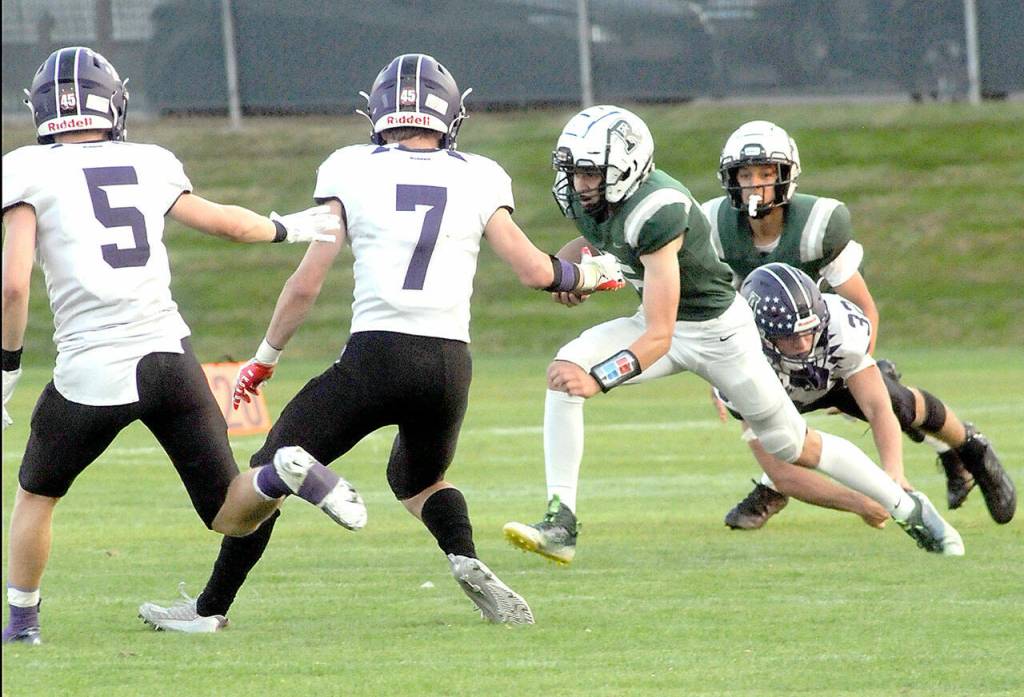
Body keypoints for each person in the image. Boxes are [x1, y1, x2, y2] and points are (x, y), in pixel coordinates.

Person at [137, 53, 625, 631]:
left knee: (272, 468)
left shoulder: (351, 168)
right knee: (418, 480)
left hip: (377, 356)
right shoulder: (480, 174)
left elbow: (306, 282)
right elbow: (536, 271)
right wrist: (599, 274)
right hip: (450, 365)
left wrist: (265, 359)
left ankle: (208, 610)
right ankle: (465, 557)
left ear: (379, 112)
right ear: (451, 116)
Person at [1, 47, 368, 646]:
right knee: (228, 511)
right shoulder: (149, 160)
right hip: (170, 356)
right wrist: (291, 227)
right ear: (112, 103)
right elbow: (227, 222)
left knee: (37, 494)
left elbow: (14, 285)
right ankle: (279, 474)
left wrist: (7, 369)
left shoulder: (24, 168)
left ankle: (21, 625)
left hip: (92, 368)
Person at [502, 105, 964, 566]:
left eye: (590, 173)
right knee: (564, 370)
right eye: (575, 172)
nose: (581, 184)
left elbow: (662, 335)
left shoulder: (660, 208)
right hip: (657, 322)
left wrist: (602, 377)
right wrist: (572, 274)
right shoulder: (595, 199)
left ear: (626, 168)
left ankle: (909, 508)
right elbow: (609, 253)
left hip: (719, 335)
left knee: (795, 445)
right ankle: (561, 521)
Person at [702, 120, 1014, 528]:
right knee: (781, 434)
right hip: (760, 355)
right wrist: (717, 369)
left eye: (765, 174)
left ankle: (970, 448)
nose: (755, 186)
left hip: (820, 346)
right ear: (731, 180)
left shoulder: (816, 227)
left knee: (892, 402)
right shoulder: (715, 229)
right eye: (746, 175)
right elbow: (708, 309)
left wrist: (857, 364)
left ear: (785, 176)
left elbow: (863, 307)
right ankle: (774, 485)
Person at [717, 263, 1015, 533]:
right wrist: (859, 501)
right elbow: (784, 475)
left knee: (898, 403)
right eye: (791, 337)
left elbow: (877, 407)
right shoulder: (739, 364)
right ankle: (767, 493)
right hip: (775, 395)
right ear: (761, 334)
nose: (804, 345)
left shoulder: (837, 327)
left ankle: (972, 447)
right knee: (790, 450)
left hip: (833, 377)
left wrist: (893, 474)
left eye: (809, 332)